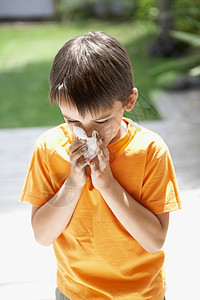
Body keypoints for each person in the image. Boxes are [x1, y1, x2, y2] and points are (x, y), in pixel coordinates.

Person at [19, 31, 182, 300]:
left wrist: (107, 185)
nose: (87, 134)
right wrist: (73, 183)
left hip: (141, 294)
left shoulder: (150, 151)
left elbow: (154, 241)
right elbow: (43, 235)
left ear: (130, 101)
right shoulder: (49, 149)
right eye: (73, 121)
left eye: (102, 121)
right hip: (74, 292)